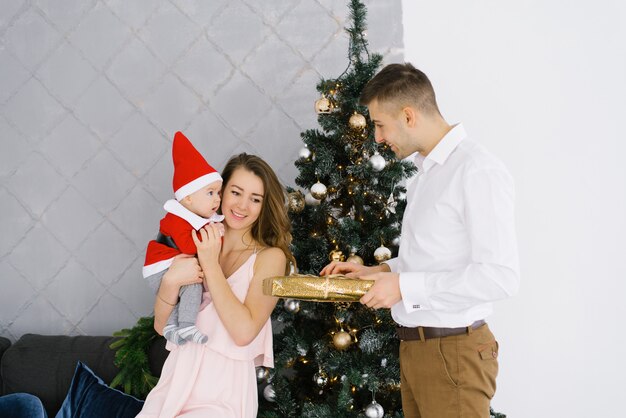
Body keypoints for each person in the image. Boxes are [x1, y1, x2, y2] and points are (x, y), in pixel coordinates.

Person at [321, 63, 520, 418]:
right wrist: (377, 269)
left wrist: (403, 287)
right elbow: (433, 257)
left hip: (452, 351)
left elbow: (499, 276)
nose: (377, 138)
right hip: (419, 348)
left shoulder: (476, 170)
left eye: (380, 125)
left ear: (408, 116)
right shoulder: (427, 173)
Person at [137, 153, 295, 418]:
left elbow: (244, 332)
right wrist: (171, 281)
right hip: (175, 382)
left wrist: (210, 265)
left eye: (255, 199)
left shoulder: (270, 258)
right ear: (220, 193)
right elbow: (162, 327)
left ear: (264, 206)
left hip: (222, 394)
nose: (242, 206)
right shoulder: (194, 240)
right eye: (236, 192)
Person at [142, 131, 225, 345]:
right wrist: (214, 238)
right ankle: (186, 325)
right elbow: (189, 246)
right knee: (192, 286)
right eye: (210, 193)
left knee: (189, 287)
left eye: (218, 193)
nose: (217, 199)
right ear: (187, 198)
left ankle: (174, 326)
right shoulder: (178, 219)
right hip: (159, 268)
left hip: (170, 267)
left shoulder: (196, 218)